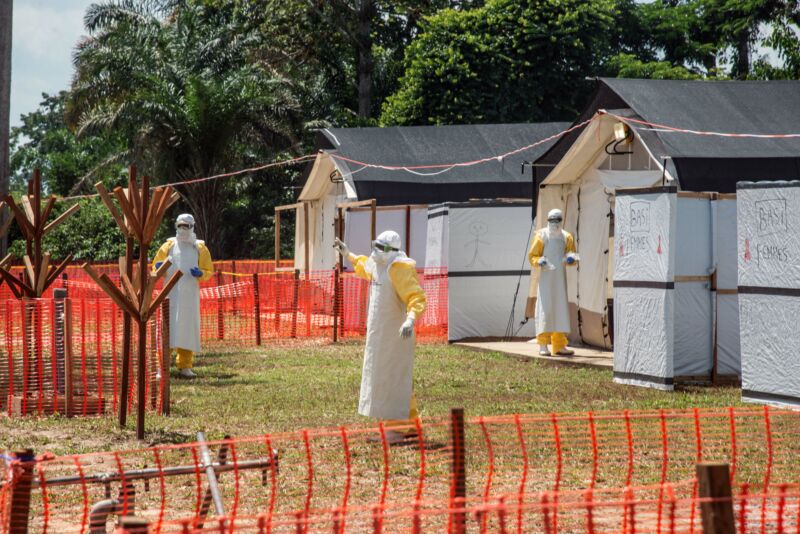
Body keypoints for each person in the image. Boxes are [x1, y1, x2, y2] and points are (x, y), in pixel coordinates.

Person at [334, 230, 426, 445]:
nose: (376, 251)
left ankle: (397, 429)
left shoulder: (400, 269)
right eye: (375, 244)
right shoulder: (379, 265)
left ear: (392, 251)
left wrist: (411, 319)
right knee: (384, 378)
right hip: (379, 335)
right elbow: (364, 265)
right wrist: (348, 254)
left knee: (393, 377)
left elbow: (416, 296)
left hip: (396, 335)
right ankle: (410, 426)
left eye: (382, 247)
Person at [152, 214, 213, 378]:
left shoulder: (200, 248)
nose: (183, 229)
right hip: (169, 295)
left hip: (189, 297)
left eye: (186, 226)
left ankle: (185, 365)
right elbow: (155, 269)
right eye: (180, 225)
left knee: (187, 329)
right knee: (167, 330)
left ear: (192, 226)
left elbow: (209, 270)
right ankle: (161, 367)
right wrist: (158, 268)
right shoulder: (168, 246)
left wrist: (201, 273)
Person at [528, 208, 578, 357]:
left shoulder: (567, 237)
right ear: (548, 221)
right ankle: (543, 344)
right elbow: (532, 256)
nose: (554, 224)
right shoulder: (541, 235)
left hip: (560, 280)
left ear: (561, 221)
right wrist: (539, 261)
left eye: (557, 220)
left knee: (560, 310)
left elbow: (572, 255)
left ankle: (559, 345)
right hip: (546, 280)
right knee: (545, 310)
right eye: (552, 220)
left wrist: (571, 259)